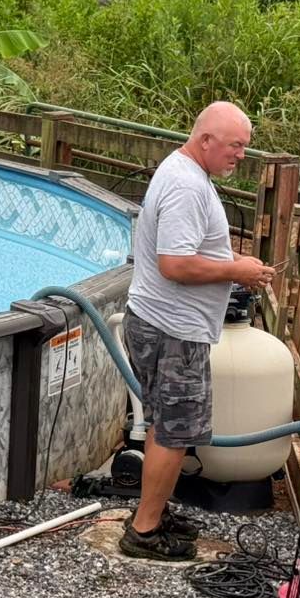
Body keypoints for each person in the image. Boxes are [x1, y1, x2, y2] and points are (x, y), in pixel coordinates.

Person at [119, 101, 276, 562]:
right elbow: (174, 264)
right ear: (206, 140)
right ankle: (144, 533)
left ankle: (152, 512)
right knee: (174, 432)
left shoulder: (183, 171)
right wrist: (237, 270)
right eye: (235, 145)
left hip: (162, 324)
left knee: (165, 426)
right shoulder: (187, 186)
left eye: (245, 146)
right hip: (172, 331)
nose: (241, 155)